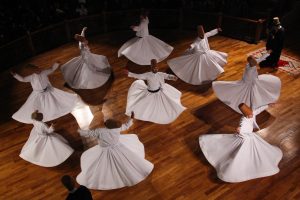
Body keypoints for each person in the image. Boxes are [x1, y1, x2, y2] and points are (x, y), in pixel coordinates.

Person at [199, 103, 283, 182]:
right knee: (243, 152)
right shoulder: (243, 121)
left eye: (251, 113)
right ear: (246, 115)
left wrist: (268, 105)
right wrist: (240, 131)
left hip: (250, 136)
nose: (251, 115)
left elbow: (259, 110)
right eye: (249, 114)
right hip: (246, 139)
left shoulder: (252, 113)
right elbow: (241, 132)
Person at [76, 112, 154, 190]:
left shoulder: (100, 131)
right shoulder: (117, 129)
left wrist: (79, 131)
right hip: (118, 147)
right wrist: (131, 118)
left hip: (105, 151)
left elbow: (88, 133)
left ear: (106, 125)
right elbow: (127, 125)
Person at [11, 62, 79, 124]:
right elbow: (23, 79)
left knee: (52, 102)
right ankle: (46, 113)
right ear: (33, 71)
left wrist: (56, 64)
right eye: (37, 70)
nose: (39, 70)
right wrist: (15, 75)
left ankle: (54, 110)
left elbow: (52, 69)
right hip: (38, 94)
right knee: (42, 105)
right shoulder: (31, 77)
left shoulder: (44, 72)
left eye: (39, 69)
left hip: (48, 91)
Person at [212, 55, 281, 114]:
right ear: (251, 62)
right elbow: (250, 79)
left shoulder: (250, 64)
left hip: (252, 82)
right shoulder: (250, 70)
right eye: (254, 61)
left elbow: (259, 59)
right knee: (249, 96)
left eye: (254, 60)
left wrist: (267, 54)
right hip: (248, 84)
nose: (256, 62)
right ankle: (249, 107)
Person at [125, 59, 186, 124]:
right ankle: (146, 113)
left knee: (161, 104)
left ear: (158, 67)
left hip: (159, 93)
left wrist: (173, 77)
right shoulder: (147, 75)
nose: (155, 69)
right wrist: (129, 73)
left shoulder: (160, 74)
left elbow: (167, 76)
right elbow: (138, 76)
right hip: (149, 93)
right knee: (144, 104)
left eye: (156, 68)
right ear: (151, 68)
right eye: (154, 68)